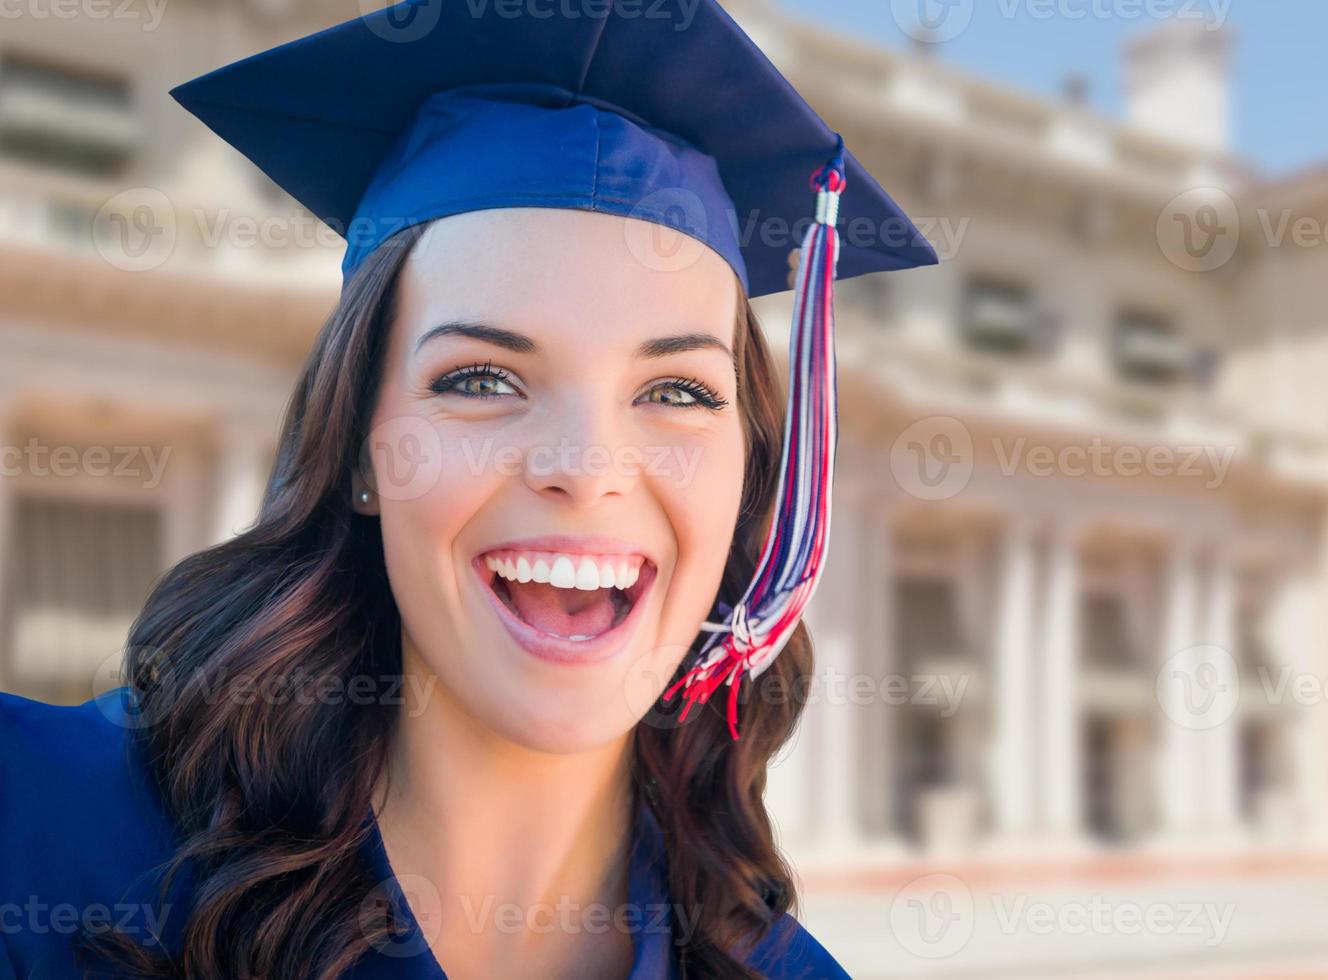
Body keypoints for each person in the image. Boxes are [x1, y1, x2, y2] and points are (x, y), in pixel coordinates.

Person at [0, 1, 939, 977]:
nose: (587, 465)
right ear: (360, 446)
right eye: (482, 379)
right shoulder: (39, 830)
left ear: (749, 472)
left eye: (675, 390)